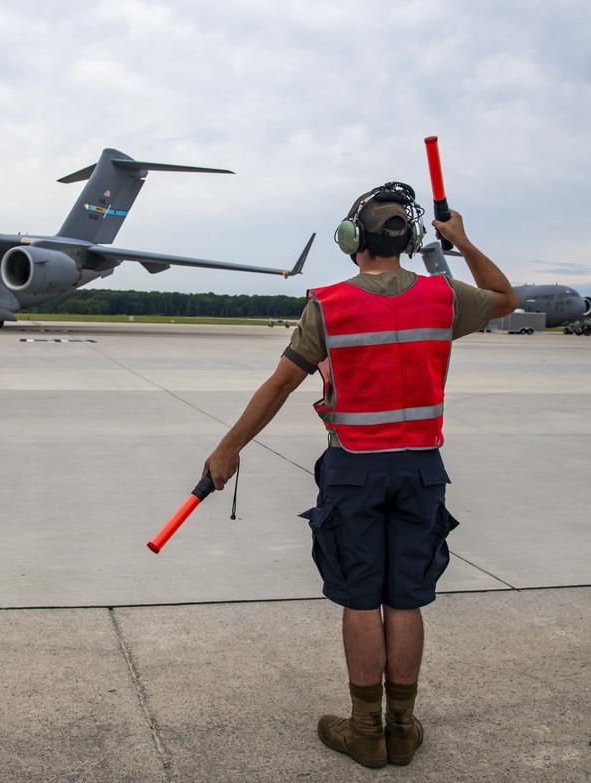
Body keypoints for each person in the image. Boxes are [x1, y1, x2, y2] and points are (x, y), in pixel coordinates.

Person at [203, 182, 519, 768]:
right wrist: (464, 241)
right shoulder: (442, 298)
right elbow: (505, 296)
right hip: (422, 468)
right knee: (405, 600)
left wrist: (229, 447)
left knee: (358, 598)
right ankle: (403, 727)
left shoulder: (329, 303)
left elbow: (279, 386)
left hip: (353, 470)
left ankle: (365, 730)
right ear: (412, 238)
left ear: (353, 240)